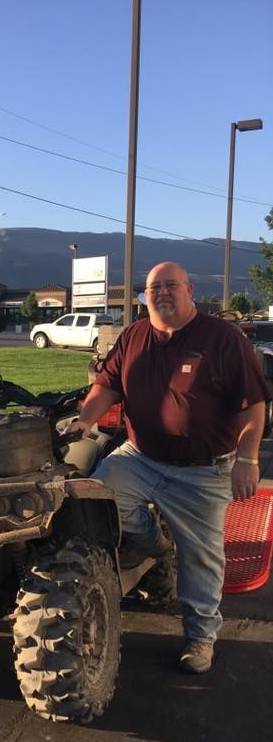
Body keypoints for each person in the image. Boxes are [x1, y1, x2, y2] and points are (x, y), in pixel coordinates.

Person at [68, 262, 268, 674]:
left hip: (202, 470)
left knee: (200, 558)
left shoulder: (223, 338)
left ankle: (201, 637)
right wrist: (84, 421)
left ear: (189, 290)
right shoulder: (133, 336)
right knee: (95, 498)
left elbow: (253, 405)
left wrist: (248, 460)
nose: (160, 292)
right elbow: (106, 385)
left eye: (170, 285)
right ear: (144, 296)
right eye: (153, 287)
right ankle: (154, 544)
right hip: (140, 457)